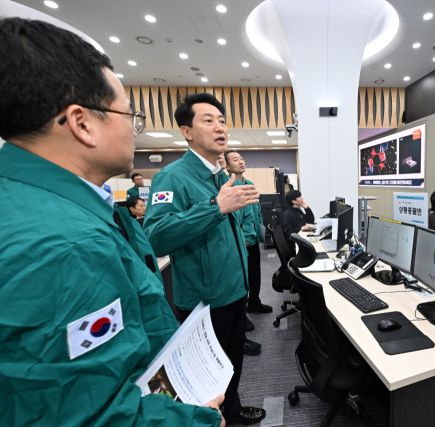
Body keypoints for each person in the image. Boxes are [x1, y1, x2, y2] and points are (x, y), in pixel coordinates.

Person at [0, 18, 224, 426]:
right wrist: (198, 421)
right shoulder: (63, 246)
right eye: (129, 115)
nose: (134, 130)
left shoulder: (50, 205)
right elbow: (93, 413)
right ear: (82, 123)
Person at [144, 93, 266, 425]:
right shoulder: (172, 177)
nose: (219, 127)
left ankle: (233, 411)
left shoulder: (220, 176)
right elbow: (155, 236)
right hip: (205, 302)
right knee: (207, 378)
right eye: (208, 121)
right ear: (186, 131)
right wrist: (215, 207)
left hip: (234, 291)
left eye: (222, 121)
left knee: (231, 366)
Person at [225, 150, 273, 314]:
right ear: (227, 166)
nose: (241, 161)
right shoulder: (228, 187)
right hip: (240, 241)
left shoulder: (249, 183)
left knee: (254, 273)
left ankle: (254, 302)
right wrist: (242, 239)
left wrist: (260, 232)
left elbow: (256, 211)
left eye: (241, 158)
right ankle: (241, 313)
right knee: (241, 277)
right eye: (235, 159)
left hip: (252, 237)